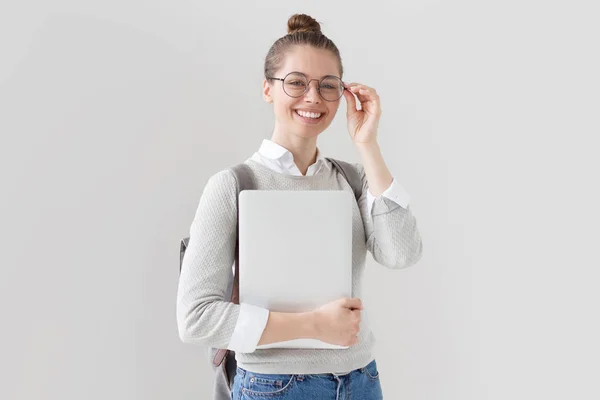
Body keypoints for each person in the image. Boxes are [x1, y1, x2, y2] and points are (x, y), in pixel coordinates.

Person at [177, 13, 423, 400]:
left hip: (360, 380)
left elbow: (401, 254)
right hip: (275, 386)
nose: (313, 97)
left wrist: (367, 145)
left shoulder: (354, 179)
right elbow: (195, 319)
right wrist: (313, 325)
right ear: (267, 89)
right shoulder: (233, 185)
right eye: (296, 83)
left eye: (328, 86)